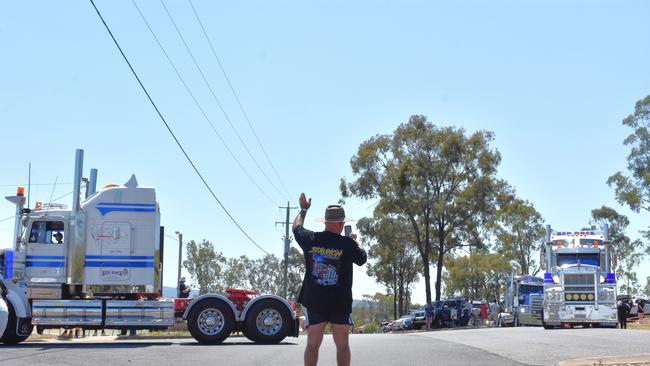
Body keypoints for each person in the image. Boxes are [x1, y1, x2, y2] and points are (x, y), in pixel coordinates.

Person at [292, 193, 367, 366]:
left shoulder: (310, 239)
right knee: (342, 345)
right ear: (341, 224)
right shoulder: (348, 245)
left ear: (325, 222)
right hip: (340, 302)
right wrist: (355, 241)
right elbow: (362, 259)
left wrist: (303, 209)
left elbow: (296, 227)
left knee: (312, 344)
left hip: (315, 301)